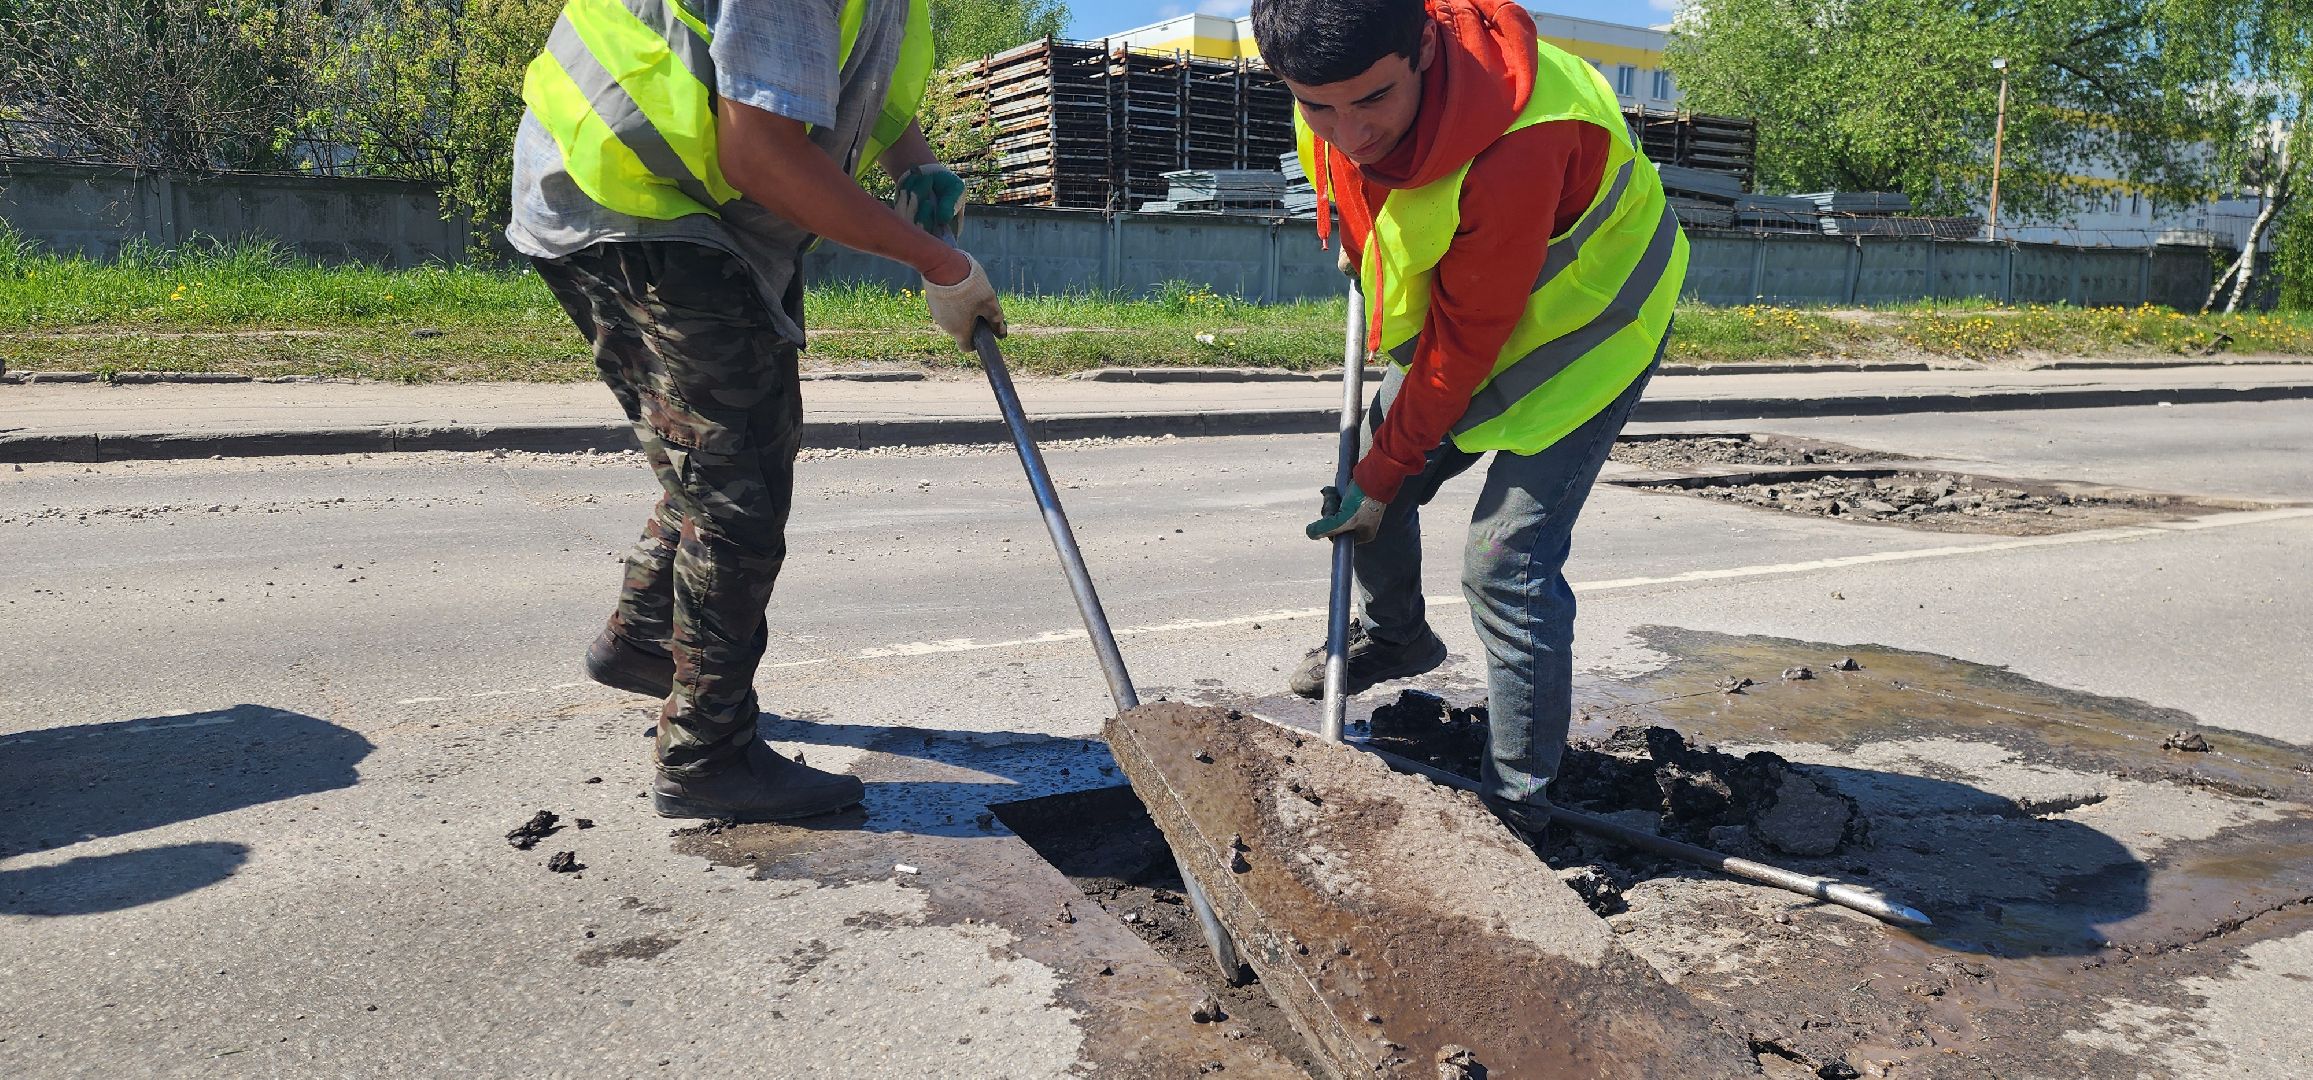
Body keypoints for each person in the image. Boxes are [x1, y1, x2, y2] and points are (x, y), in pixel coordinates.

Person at [507, 0, 1005, 821]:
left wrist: (911, 160)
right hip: (633, 201)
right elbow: (760, 153)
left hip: (690, 213)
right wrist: (937, 262)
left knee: (733, 450)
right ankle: (707, 754)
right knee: (738, 489)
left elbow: (851, 84)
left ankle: (645, 640)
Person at [1250, 0, 1687, 818]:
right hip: (1478, 306)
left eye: (1371, 101)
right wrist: (1351, 234)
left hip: (1588, 327)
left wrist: (1386, 470)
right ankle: (1398, 637)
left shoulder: (1521, 139)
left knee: (1504, 565)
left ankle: (1521, 803)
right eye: (1316, 106)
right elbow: (1349, 173)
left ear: (1422, 47)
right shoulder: (1336, 78)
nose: (1346, 131)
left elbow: (1466, 340)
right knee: (1358, 491)